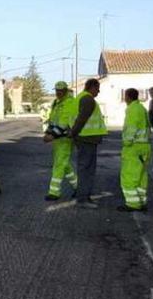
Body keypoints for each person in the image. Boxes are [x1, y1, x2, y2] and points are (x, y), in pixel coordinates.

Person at [69, 78, 107, 209]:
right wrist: (73, 133)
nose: (99, 91)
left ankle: (83, 195)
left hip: (84, 138)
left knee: (85, 168)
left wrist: (73, 134)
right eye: (97, 88)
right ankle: (83, 199)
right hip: (87, 138)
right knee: (87, 169)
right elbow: (82, 119)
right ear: (91, 87)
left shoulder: (80, 97)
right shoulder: (88, 99)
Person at [43, 81, 78, 201]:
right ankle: (78, 187)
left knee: (59, 164)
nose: (58, 93)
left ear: (66, 90)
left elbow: (64, 122)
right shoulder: (57, 103)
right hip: (58, 139)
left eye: (61, 90)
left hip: (65, 138)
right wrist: (48, 132)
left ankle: (54, 192)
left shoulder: (70, 103)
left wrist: (52, 135)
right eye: (57, 90)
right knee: (65, 164)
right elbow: (53, 120)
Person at [119, 88, 151, 212]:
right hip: (144, 146)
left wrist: (126, 142)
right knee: (141, 176)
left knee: (128, 176)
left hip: (134, 148)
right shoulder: (142, 108)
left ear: (127, 97)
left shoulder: (132, 110)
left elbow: (131, 128)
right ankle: (141, 201)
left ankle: (133, 204)